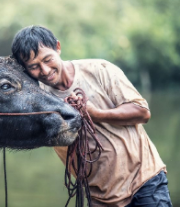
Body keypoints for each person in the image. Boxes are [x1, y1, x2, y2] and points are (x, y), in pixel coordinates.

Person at [11, 25, 172, 207]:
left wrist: (97, 114)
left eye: (48, 60)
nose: (45, 71)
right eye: (34, 67)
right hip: (99, 196)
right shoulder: (37, 99)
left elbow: (142, 112)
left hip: (144, 181)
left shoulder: (100, 69)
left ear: (58, 47)